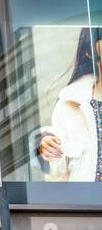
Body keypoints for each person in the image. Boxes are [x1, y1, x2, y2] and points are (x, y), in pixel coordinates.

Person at [35, 27, 102, 181]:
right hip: (89, 202)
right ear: (91, 52)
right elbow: (58, 179)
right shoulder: (69, 106)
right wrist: (48, 148)